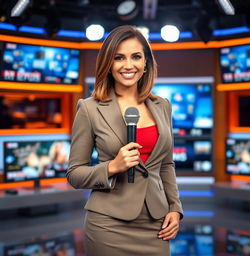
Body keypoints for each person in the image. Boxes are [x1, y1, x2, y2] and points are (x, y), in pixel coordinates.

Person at [67, 25, 183, 256]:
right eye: (119, 57)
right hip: (108, 225)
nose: (128, 65)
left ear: (146, 62)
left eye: (136, 57)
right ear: (108, 64)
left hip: (156, 222)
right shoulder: (89, 109)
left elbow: (166, 165)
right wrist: (112, 167)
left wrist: (175, 208)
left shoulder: (162, 106)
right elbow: (75, 174)